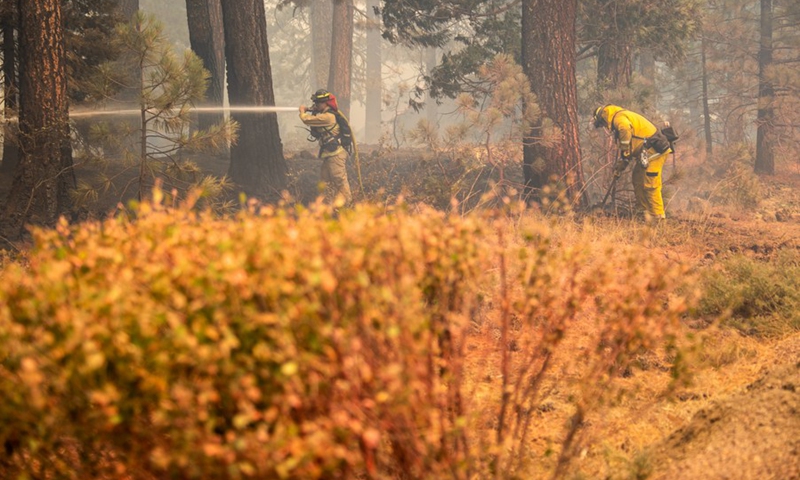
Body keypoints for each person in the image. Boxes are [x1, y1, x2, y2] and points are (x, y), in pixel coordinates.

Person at [593, 104, 672, 219]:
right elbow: (631, 148)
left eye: (602, 124)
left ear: (604, 117)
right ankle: (642, 212)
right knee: (637, 178)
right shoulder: (620, 116)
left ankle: (658, 218)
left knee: (650, 185)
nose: (604, 126)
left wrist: (624, 151)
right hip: (647, 153)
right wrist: (620, 166)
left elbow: (625, 131)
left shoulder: (619, 119)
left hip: (654, 152)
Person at [299, 89, 352, 206]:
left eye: (318, 103)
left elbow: (306, 120)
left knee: (339, 180)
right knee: (325, 182)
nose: (316, 105)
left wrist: (302, 111)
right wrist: (313, 110)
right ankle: (328, 205)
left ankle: (348, 205)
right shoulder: (324, 115)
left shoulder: (328, 117)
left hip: (336, 155)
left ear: (325, 103)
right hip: (329, 154)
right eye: (315, 103)